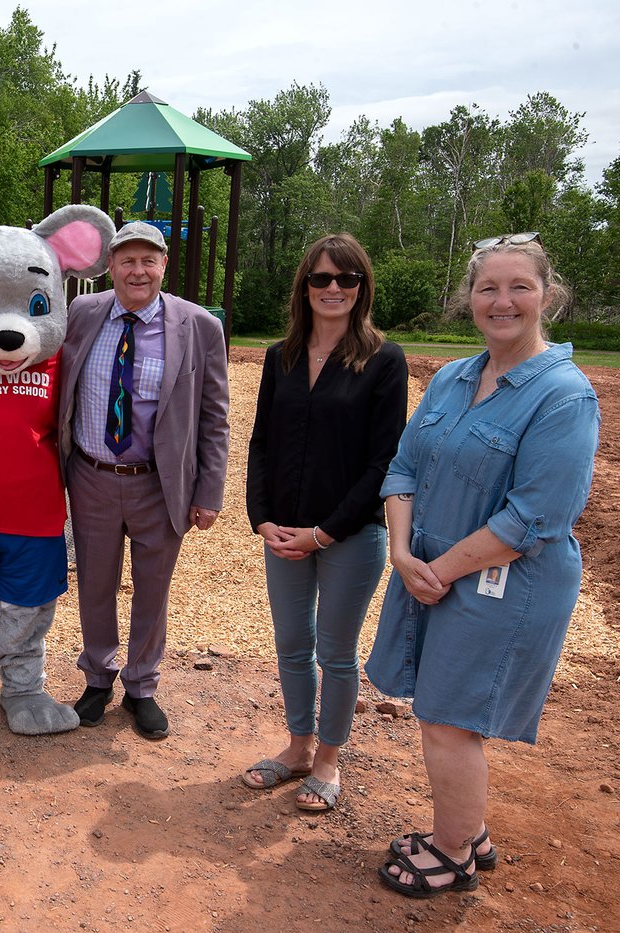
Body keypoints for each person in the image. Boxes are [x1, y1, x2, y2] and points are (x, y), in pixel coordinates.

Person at [367, 233, 599, 898]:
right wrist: (406, 552)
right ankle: (468, 827)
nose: (503, 301)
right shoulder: (452, 377)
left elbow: (534, 518)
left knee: (448, 716)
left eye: (518, 286)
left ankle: (452, 850)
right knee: (448, 709)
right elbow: (405, 467)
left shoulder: (563, 395)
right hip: (432, 565)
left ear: (547, 295)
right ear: (469, 298)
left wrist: (436, 569)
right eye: (488, 288)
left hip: (507, 583)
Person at [242, 234, 408, 810]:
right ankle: (297, 747)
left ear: (362, 287)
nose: (333, 288)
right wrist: (261, 519)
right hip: (283, 532)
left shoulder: (384, 360)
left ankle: (329, 761)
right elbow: (261, 443)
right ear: (304, 287)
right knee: (291, 644)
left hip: (351, 535)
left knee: (335, 652)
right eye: (321, 278)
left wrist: (325, 531)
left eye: (346, 279)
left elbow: (384, 461)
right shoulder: (280, 355)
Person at [58, 222, 230, 740]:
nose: (138, 270)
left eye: (148, 261)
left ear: (163, 266)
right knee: (94, 583)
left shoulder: (198, 327)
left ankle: (141, 686)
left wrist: (209, 492)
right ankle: (98, 676)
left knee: (152, 590)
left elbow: (214, 416)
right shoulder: (83, 314)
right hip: (91, 475)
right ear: (110, 267)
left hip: (159, 483)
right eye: (127, 261)